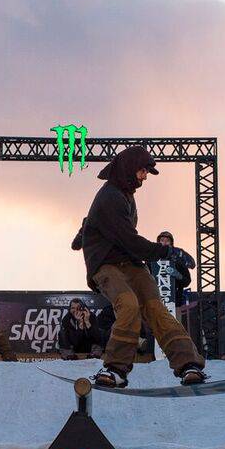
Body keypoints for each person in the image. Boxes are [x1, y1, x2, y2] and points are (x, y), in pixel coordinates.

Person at [72, 146, 206, 388]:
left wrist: (84, 231)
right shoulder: (110, 196)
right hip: (105, 265)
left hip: (130, 263)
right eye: (143, 171)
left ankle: (188, 363)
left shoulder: (125, 194)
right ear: (129, 169)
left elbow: (101, 223)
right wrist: (169, 252)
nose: (145, 177)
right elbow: (130, 240)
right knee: (129, 306)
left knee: (156, 308)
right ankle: (115, 369)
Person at [147, 230, 195, 312]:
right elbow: (144, 279)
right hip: (154, 303)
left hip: (175, 304)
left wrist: (177, 275)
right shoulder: (151, 260)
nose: (164, 243)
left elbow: (187, 281)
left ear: (171, 243)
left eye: (167, 241)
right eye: (162, 240)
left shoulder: (178, 260)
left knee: (174, 324)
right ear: (158, 242)